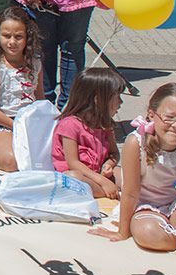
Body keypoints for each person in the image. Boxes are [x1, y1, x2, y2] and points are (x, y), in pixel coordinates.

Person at [90, 83, 176, 251]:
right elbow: (131, 191)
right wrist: (122, 232)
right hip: (145, 205)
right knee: (148, 234)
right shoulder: (136, 143)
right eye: (169, 117)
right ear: (152, 115)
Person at [0, 6, 44, 171]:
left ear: (28, 37)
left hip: (29, 124)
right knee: (12, 162)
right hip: (1, 124)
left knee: (42, 158)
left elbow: (40, 98)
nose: (12, 42)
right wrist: (16, 126)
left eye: (18, 37)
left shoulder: (35, 64)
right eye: (6, 36)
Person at [51, 67, 124, 199]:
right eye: (117, 97)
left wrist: (109, 164)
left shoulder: (105, 123)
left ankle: (108, 191)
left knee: (126, 175)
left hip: (98, 173)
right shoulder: (70, 125)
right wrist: (102, 181)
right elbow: (73, 163)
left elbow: (114, 153)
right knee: (73, 178)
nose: (120, 102)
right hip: (79, 174)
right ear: (97, 100)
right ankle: (107, 193)